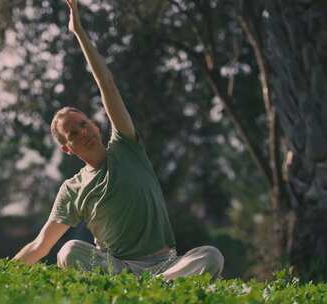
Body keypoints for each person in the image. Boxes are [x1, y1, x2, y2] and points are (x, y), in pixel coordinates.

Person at [13, 0, 224, 280]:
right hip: (118, 270)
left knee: (211, 255)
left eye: (83, 124)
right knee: (68, 251)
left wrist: (78, 32)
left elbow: (106, 83)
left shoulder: (126, 145)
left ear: (95, 125)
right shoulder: (72, 190)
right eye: (73, 133)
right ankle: (146, 290)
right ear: (67, 148)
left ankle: (158, 287)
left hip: (165, 265)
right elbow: (42, 245)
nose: (82, 132)